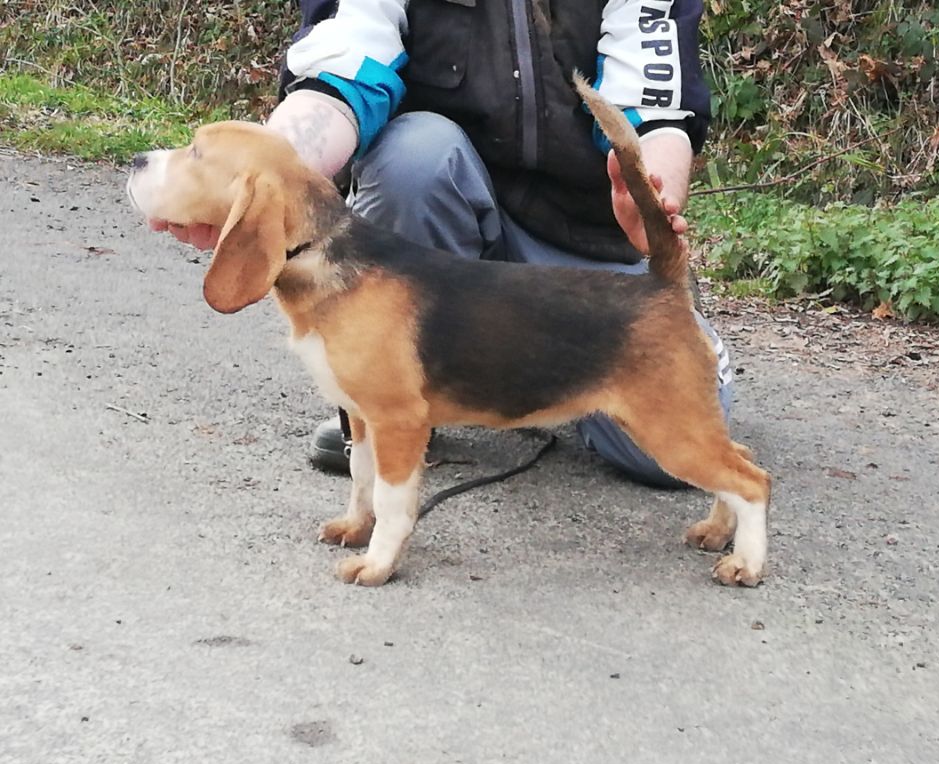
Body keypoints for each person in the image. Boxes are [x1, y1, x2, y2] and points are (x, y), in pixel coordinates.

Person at [154, 0, 734, 488]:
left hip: (584, 249)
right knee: (413, 153)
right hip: (446, 230)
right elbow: (337, 78)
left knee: (661, 461)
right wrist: (261, 191)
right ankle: (386, 398)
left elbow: (656, 107)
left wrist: (651, 196)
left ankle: (685, 335)